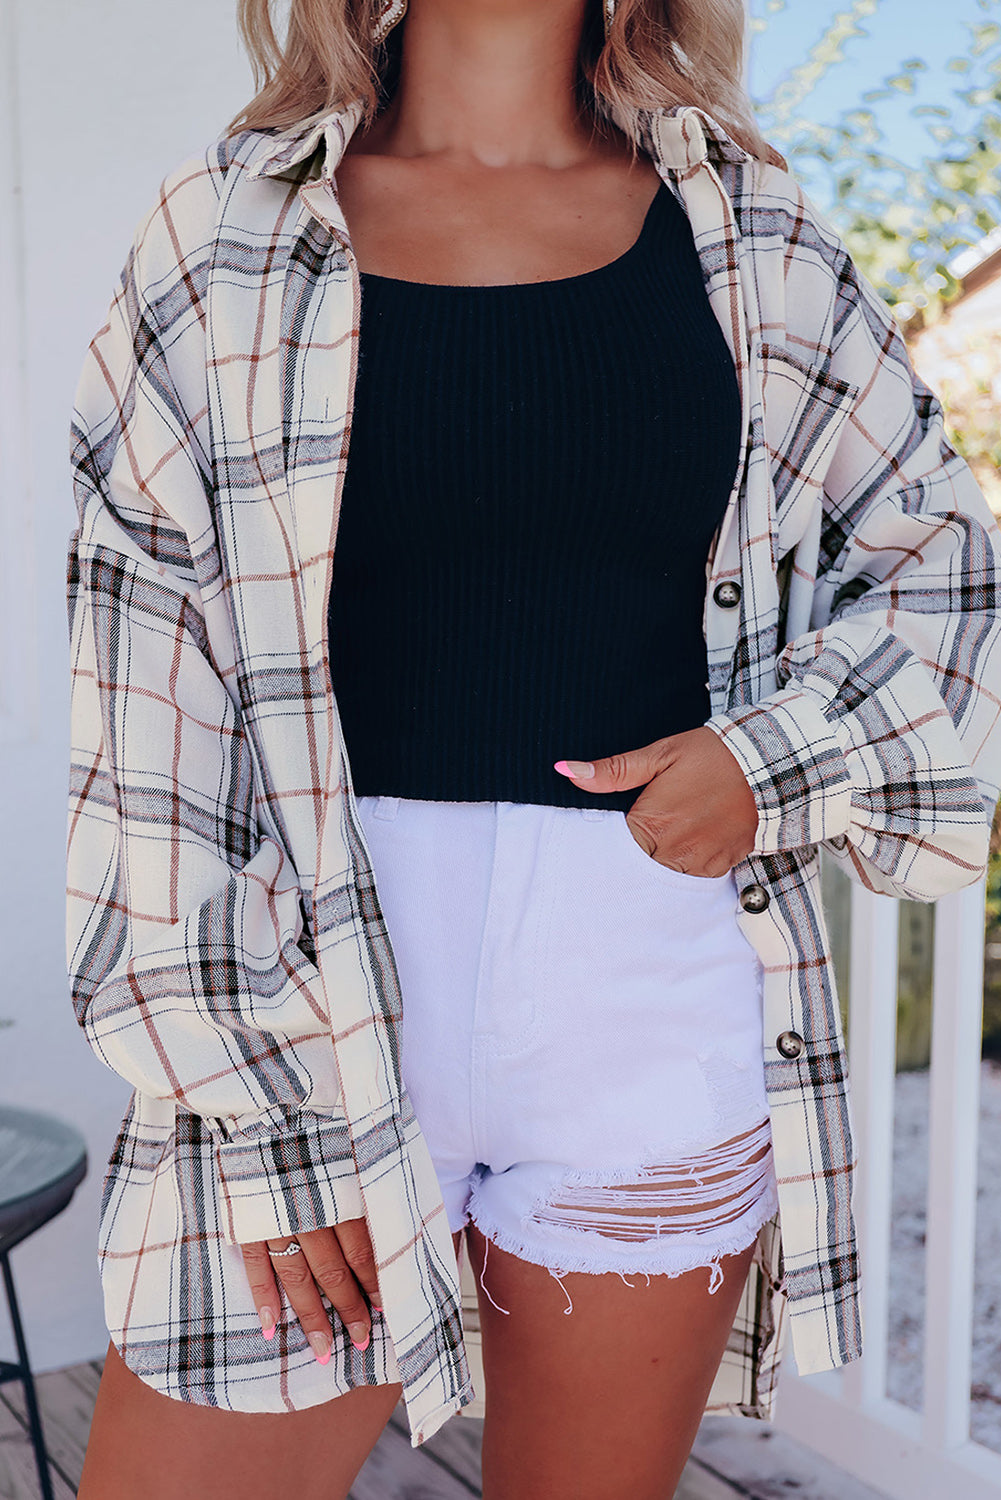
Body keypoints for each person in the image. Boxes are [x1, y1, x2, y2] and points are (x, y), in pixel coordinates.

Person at [64, 1, 1001, 1497]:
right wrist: (253, 1111)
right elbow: (144, 693)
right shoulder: (226, 231)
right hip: (312, 1013)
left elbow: (944, 569)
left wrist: (774, 763)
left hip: (646, 1001)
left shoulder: (749, 235)